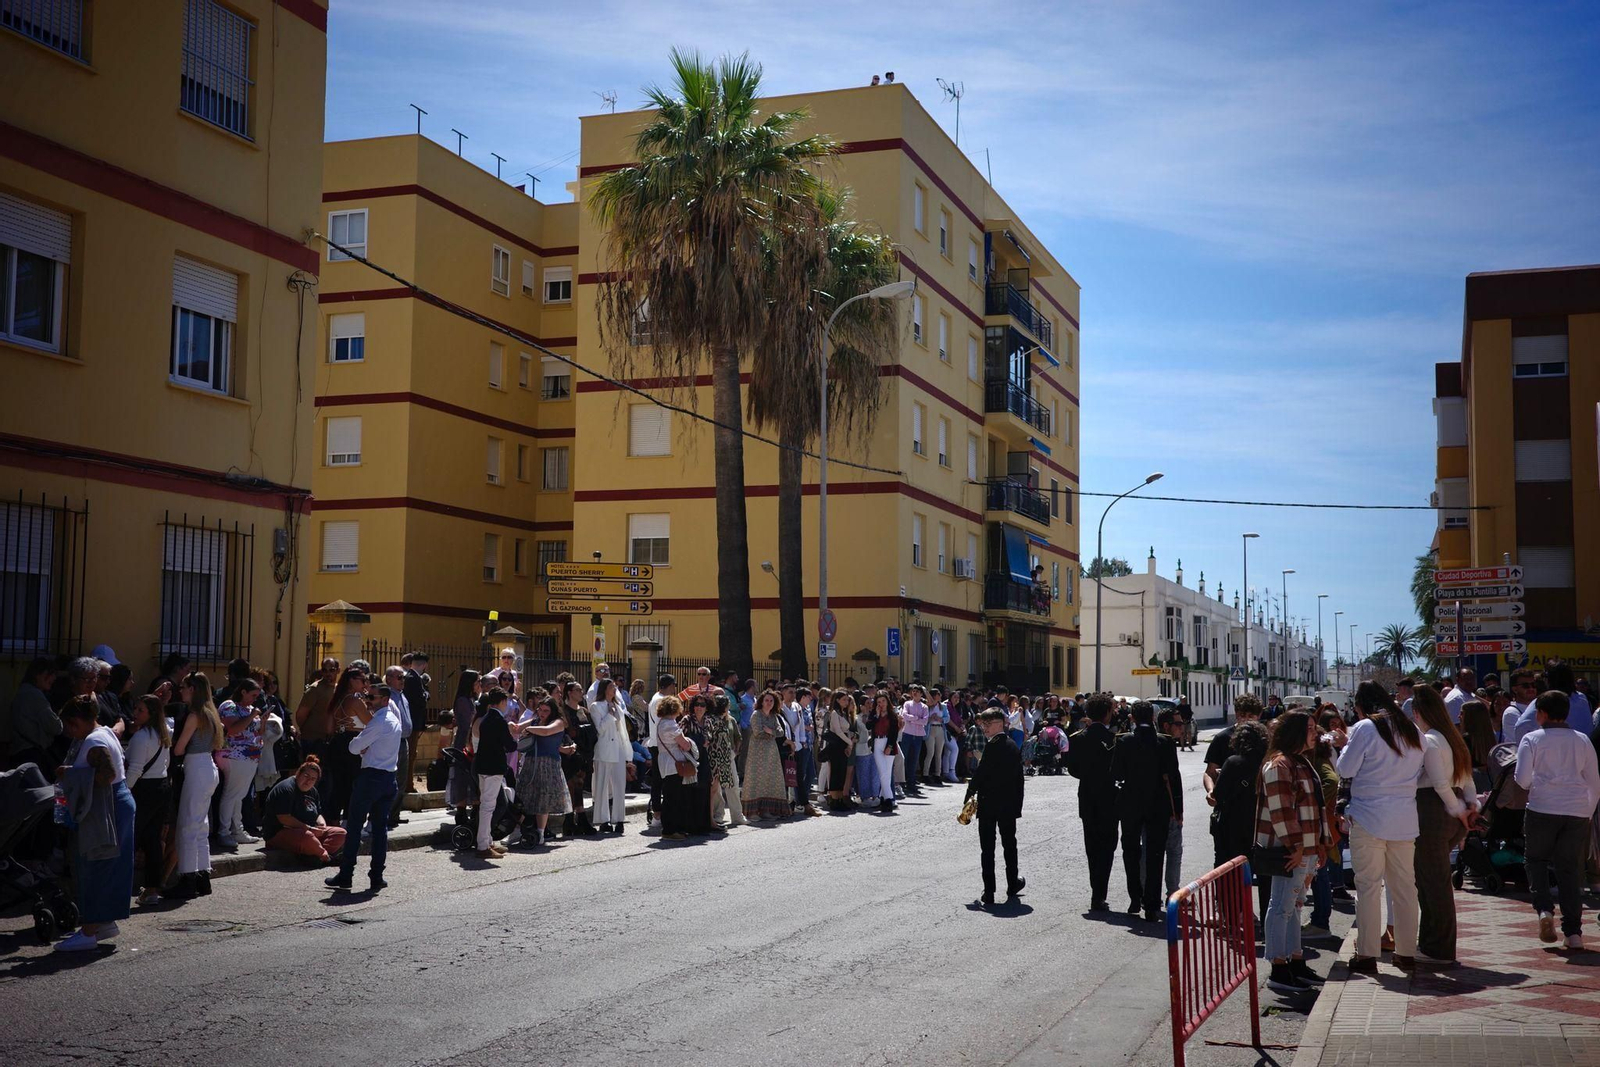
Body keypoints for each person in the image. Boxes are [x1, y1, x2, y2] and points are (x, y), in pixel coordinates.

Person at [1337, 681, 1426, 975]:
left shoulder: (1365, 728)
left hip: (1369, 817)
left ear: (1361, 705)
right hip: (1404, 819)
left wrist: (1344, 746)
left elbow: (1345, 769)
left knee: (1368, 888)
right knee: (1405, 889)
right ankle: (1406, 953)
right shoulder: (1412, 729)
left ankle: (1367, 955)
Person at [1516, 689, 1600, 950]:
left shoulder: (1532, 739)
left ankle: (1544, 910)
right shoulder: (1583, 740)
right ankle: (1573, 933)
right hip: (1576, 811)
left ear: (1541, 714)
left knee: (1536, 860)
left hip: (1542, 808)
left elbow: (1522, 779)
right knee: (1570, 870)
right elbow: (1594, 781)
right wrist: (1586, 813)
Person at [52, 696, 137, 952]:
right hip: (117, 802)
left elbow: (106, 774)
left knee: (95, 865)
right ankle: (105, 922)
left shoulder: (94, 741)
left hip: (105, 807)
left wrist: (69, 773)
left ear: (77, 722)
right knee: (111, 865)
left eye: (69, 726)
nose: (68, 732)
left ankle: (89, 932)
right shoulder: (105, 732)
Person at [1254, 710, 1328, 993]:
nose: (1315, 733)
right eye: (1309, 728)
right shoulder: (1279, 766)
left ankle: (1295, 960)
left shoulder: (1301, 763)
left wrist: (1321, 844)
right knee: (1282, 906)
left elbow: (1314, 807)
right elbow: (1282, 812)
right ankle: (1278, 967)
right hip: (1290, 851)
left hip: (1305, 849)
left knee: (1295, 907)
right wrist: (1296, 846)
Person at [1411, 685, 1479, 964]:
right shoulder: (1452, 737)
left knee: (1433, 884)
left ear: (1418, 712)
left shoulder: (1431, 740)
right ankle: (1431, 944)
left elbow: (1439, 783)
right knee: (1433, 882)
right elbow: (1467, 778)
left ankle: (1437, 948)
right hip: (1452, 812)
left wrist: (1458, 810)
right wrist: (1469, 807)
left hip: (1435, 814)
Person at [326, 683, 403, 891]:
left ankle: (346, 874)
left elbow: (353, 747)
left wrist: (362, 747)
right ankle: (376, 876)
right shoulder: (394, 719)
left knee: (354, 827)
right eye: (368, 697)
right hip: (388, 777)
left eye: (372, 698)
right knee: (379, 830)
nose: (368, 701)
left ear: (385, 700)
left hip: (371, 778)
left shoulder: (378, 722)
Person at [1110, 700, 1182, 921]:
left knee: (1130, 851)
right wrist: (1177, 809)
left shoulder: (1123, 741)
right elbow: (1174, 778)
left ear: (1132, 718)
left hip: (1131, 805)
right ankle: (1152, 903)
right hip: (1158, 805)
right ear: (1153, 718)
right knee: (1155, 853)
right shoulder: (1164, 742)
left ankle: (1135, 897)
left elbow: (1116, 773)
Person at [169, 674, 222, 900]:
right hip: (208, 767)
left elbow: (179, 749)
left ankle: (188, 878)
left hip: (197, 767)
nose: (180, 691)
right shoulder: (211, 714)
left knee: (188, 825)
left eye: (183, 687)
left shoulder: (195, 715)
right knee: (200, 826)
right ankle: (202, 877)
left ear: (192, 689)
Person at [965, 708, 1025, 906]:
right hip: (1008, 805)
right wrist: (1018, 807)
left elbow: (981, 774)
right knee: (1010, 846)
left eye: (988, 724)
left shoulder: (993, 746)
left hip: (989, 804)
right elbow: (1019, 781)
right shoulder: (1013, 746)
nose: (984, 728)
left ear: (1000, 724)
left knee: (987, 849)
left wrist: (969, 794)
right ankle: (1012, 883)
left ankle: (989, 891)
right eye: (983, 725)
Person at [1067, 695, 1120, 911]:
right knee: (1107, 846)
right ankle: (1100, 893)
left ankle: (1095, 892)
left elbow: (1072, 769)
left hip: (1087, 796)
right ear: (1106, 713)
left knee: (1092, 847)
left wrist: (1089, 776)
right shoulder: (1114, 738)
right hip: (1109, 797)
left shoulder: (1078, 737)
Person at [123, 694, 172, 905]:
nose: (135, 713)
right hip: (161, 787)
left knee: (130, 838)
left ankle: (122, 888)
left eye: (140, 710)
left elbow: (134, 769)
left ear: (151, 714)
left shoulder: (142, 737)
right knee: (152, 840)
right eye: (136, 709)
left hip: (144, 788)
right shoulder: (163, 733)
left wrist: (124, 792)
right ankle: (152, 889)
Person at [512, 697, 573, 848]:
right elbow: (517, 728)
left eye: (546, 710)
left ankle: (540, 832)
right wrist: (510, 724)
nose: (542, 713)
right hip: (531, 762)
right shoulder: (534, 720)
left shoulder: (559, 721)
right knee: (525, 795)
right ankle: (523, 829)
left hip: (548, 763)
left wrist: (530, 729)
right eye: (540, 710)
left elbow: (547, 732)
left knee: (543, 799)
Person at [264, 757, 347, 862]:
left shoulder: (313, 791)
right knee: (307, 837)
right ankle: (326, 857)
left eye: (313, 779)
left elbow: (318, 813)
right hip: (280, 832)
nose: (308, 781)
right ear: (298, 773)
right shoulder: (286, 788)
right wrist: (308, 828)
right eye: (306, 776)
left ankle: (313, 856)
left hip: (310, 831)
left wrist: (322, 824)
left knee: (340, 833)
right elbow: (284, 818)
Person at [216, 678, 266, 846]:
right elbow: (232, 729)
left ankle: (237, 830)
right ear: (243, 691)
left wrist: (262, 721)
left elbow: (258, 732)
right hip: (234, 755)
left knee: (239, 796)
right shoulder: (230, 706)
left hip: (249, 757)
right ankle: (224, 832)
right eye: (253, 695)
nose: (254, 699)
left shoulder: (250, 709)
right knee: (231, 794)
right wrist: (252, 716)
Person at [471, 686, 516, 859]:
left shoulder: (486, 718)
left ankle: (487, 840)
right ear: (503, 701)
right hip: (493, 768)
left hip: (482, 766)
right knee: (488, 807)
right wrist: (515, 737)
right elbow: (509, 745)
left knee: (486, 804)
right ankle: (483, 845)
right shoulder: (498, 720)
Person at [4, 656, 61, 773]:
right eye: (50, 673)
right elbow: (56, 727)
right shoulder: (35, 696)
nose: (53, 678)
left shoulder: (23, 691)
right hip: (31, 754)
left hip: (19, 751)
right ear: (37, 674)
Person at [1203, 694, 1263, 805]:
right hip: (1229, 803)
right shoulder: (1222, 738)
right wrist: (1211, 790)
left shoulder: (1265, 738)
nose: (1246, 719)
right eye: (1242, 715)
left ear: (1259, 715)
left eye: (1251, 716)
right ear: (1236, 714)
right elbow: (1210, 772)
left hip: (1258, 803)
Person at [589, 679, 630, 834]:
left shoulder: (618, 706)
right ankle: (603, 819)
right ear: (605, 689)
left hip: (618, 748)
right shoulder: (596, 706)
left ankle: (619, 819)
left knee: (620, 786)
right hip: (604, 749)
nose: (615, 689)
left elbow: (622, 731)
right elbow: (599, 729)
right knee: (602, 785)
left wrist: (627, 753)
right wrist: (609, 715)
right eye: (612, 687)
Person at [743, 690, 791, 823]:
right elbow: (758, 732)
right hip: (757, 752)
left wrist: (770, 731)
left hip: (771, 752)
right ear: (761, 702)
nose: (769, 703)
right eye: (766, 700)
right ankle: (752, 812)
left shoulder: (773, 716)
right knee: (756, 780)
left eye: (771, 701)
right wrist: (772, 733)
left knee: (769, 779)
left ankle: (766, 810)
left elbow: (781, 732)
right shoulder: (756, 715)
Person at [654, 697, 697, 840]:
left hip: (667, 762)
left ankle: (674, 828)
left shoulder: (662, 723)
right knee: (672, 798)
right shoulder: (670, 725)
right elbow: (685, 745)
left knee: (671, 796)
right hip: (673, 763)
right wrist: (689, 743)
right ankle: (669, 830)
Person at [706, 692, 745, 829]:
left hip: (729, 755)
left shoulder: (731, 720)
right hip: (715, 756)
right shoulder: (710, 720)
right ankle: (718, 815)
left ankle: (737, 815)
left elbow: (738, 737)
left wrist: (735, 751)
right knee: (715, 788)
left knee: (733, 785)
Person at [383, 665, 413, 831]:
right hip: (394, 742)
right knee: (392, 779)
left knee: (401, 779)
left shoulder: (402, 696)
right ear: (389, 679)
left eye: (403, 677)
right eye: (399, 677)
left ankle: (395, 814)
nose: (402, 681)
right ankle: (386, 815)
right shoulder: (388, 697)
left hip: (404, 741)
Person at [822, 692, 856, 811]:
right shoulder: (835, 713)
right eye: (844, 700)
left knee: (842, 772)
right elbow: (838, 731)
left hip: (843, 745)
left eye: (847, 700)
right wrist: (850, 742)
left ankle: (840, 798)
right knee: (836, 773)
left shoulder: (844, 713)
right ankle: (834, 799)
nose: (846, 702)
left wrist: (849, 744)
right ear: (837, 700)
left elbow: (848, 730)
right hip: (836, 745)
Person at [868, 692, 901, 813]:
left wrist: (890, 746)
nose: (881, 704)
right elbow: (868, 726)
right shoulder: (874, 714)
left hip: (888, 743)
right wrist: (876, 715)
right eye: (879, 702)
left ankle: (884, 799)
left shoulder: (892, 715)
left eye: (883, 701)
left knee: (887, 773)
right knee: (883, 772)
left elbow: (894, 732)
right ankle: (889, 799)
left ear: (887, 701)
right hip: (877, 742)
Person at [899, 687, 930, 798]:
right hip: (907, 733)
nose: (915, 693)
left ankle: (911, 783)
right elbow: (904, 716)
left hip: (918, 736)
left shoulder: (924, 706)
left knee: (914, 759)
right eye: (913, 692)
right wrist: (917, 718)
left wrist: (913, 719)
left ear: (921, 694)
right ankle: (902, 782)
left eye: (917, 692)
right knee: (904, 758)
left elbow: (925, 721)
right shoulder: (907, 704)